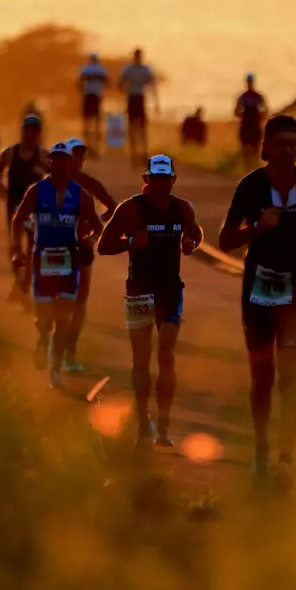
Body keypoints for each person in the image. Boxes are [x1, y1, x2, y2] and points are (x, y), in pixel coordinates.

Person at [218, 115, 296, 490]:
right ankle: (260, 450)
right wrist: (257, 229)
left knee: (289, 376)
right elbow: (224, 240)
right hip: (257, 290)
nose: (289, 150)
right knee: (263, 378)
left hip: (295, 291)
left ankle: (285, 460)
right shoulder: (251, 187)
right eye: (282, 144)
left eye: (294, 144)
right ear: (266, 148)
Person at [98, 155, 203, 448]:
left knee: (167, 355)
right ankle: (144, 420)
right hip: (139, 291)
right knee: (142, 360)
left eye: (165, 180)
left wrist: (190, 243)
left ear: (173, 180)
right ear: (146, 180)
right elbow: (103, 246)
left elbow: (196, 234)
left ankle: (165, 425)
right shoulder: (131, 210)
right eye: (154, 180)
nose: (160, 186)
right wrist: (130, 243)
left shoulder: (182, 208)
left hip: (170, 290)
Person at [11, 142, 104, 389]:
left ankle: (57, 366)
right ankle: (43, 340)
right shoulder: (36, 191)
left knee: (63, 318)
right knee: (43, 318)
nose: (61, 165)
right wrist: (17, 248)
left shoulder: (81, 194)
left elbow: (98, 225)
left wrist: (89, 241)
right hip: (42, 256)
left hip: (69, 259)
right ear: (50, 162)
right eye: (56, 160)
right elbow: (18, 219)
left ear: (70, 163)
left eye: (65, 160)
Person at [62, 137, 119, 372]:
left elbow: (113, 207)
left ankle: (71, 351)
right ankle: (51, 339)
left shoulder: (89, 183)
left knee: (80, 302)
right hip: (57, 246)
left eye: (80, 156)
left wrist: (95, 226)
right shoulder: (51, 184)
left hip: (83, 247)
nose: (76, 161)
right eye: (72, 156)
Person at [0, 115, 49, 306]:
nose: (31, 133)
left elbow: (55, 175)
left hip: (34, 206)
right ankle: (19, 282)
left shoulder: (42, 155)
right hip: (14, 205)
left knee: (33, 246)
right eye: (28, 129)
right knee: (15, 245)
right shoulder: (11, 153)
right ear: (23, 130)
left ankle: (24, 285)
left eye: (35, 130)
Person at [118, 48, 160, 169]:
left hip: (133, 98)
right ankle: (140, 154)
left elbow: (120, 84)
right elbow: (152, 85)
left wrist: (124, 90)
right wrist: (156, 102)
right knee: (139, 129)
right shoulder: (144, 69)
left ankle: (137, 154)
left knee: (136, 128)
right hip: (138, 98)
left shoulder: (129, 69)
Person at [235, 74, 267, 169]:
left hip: (252, 125)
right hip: (248, 125)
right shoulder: (249, 96)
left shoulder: (248, 96)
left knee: (254, 149)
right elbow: (236, 111)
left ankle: (252, 169)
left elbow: (236, 112)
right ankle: (249, 169)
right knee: (248, 149)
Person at [78, 53, 110, 148]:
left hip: (88, 95)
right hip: (96, 95)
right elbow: (107, 82)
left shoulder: (85, 69)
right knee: (96, 118)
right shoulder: (101, 70)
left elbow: (79, 82)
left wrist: (82, 91)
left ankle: (86, 139)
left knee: (87, 118)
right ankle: (97, 138)